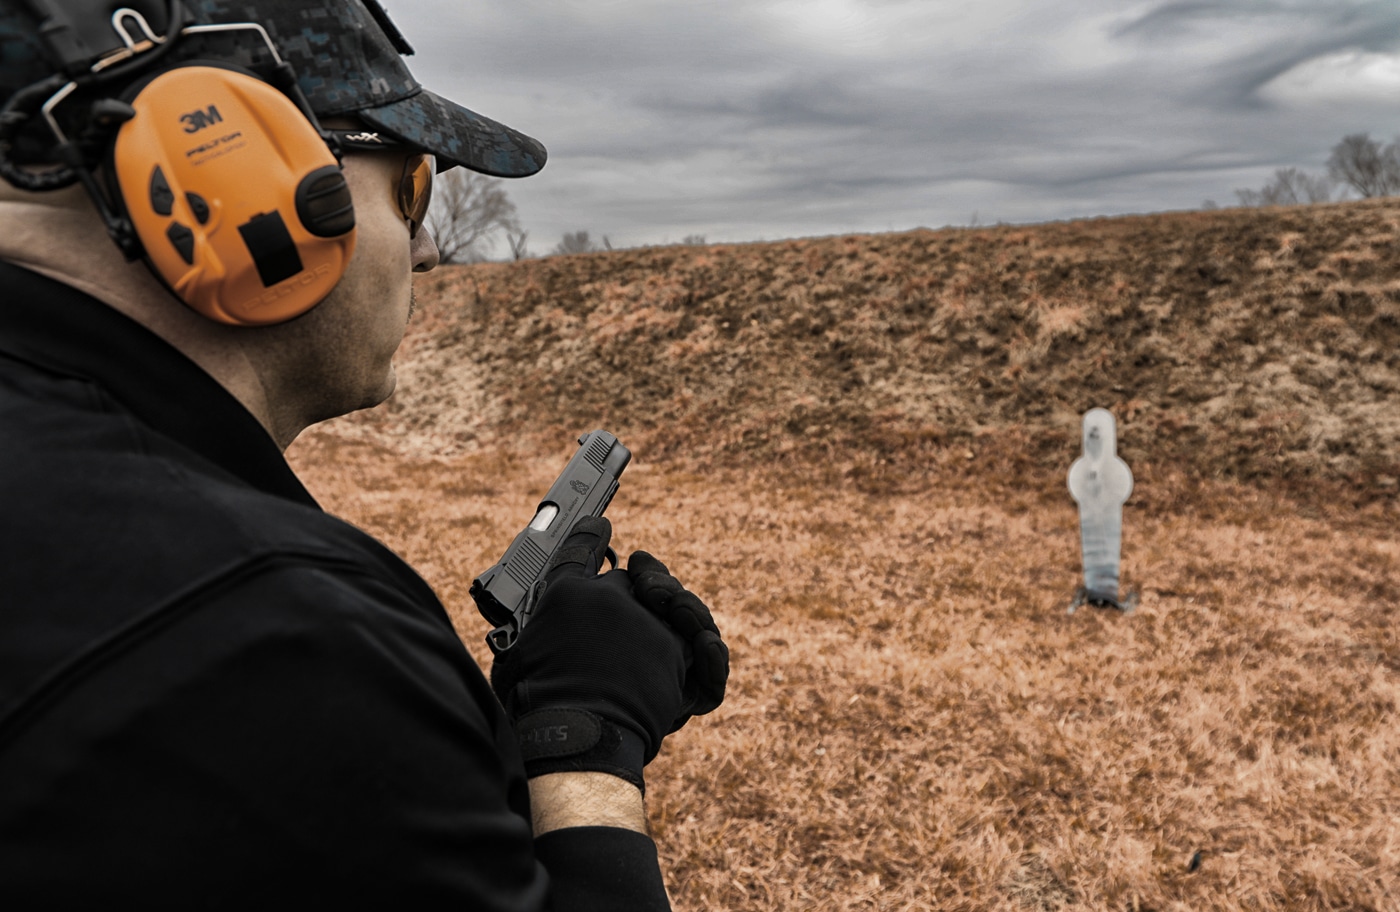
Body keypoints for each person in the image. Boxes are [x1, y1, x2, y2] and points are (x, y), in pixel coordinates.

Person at [0, 1, 728, 908]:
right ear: (237, 171)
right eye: (414, 186)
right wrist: (589, 745)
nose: (425, 250)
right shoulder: (268, 641)